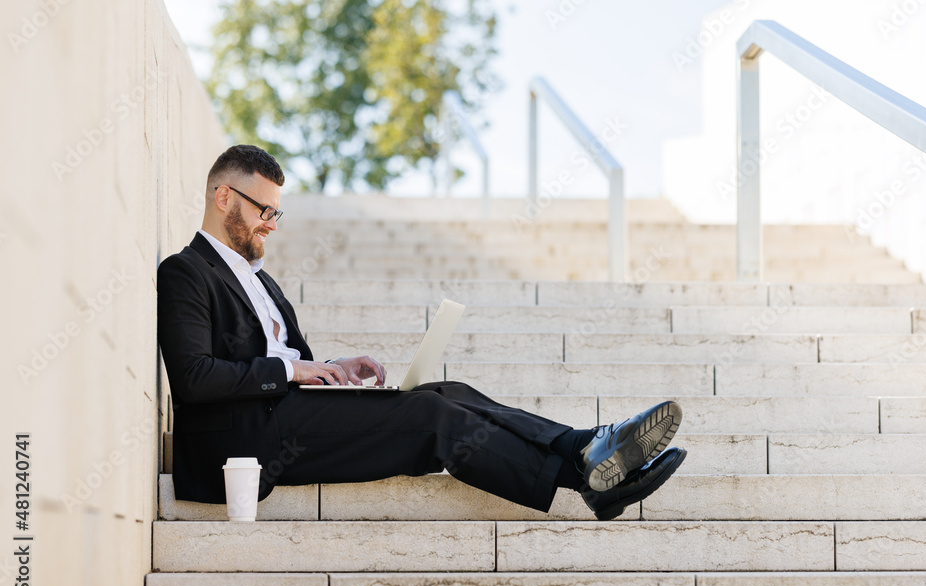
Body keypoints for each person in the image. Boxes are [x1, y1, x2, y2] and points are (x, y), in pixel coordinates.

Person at [157, 145, 686, 521]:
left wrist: (333, 368)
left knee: (447, 393)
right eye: (263, 210)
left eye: (277, 211)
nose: (272, 222)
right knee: (429, 417)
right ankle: (587, 481)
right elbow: (194, 379)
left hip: (286, 414)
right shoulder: (185, 271)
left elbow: (283, 363)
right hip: (247, 440)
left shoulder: (261, 282)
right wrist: (294, 370)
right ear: (223, 198)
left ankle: (587, 446)